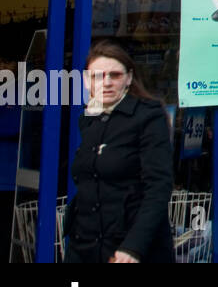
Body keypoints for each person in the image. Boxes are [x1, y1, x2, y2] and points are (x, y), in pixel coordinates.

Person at [65, 39, 174, 263]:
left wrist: (134, 247)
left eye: (114, 75)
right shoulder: (88, 119)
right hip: (85, 245)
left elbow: (158, 186)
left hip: (130, 248)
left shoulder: (148, 116)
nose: (106, 83)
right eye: (97, 76)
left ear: (129, 78)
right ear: (86, 81)